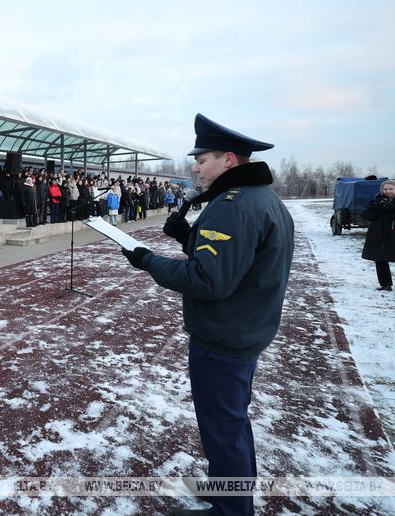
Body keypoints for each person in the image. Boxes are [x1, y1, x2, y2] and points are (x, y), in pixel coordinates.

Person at [121, 114, 294, 516]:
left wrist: (147, 260)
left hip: (224, 335)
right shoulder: (261, 197)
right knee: (232, 423)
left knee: (223, 429)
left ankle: (230, 510)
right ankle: (227, 490)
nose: (195, 166)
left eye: (203, 159)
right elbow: (242, 262)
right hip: (245, 328)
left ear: (229, 160)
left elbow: (208, 280)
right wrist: (187, 236)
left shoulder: (232, 205)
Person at [361, 179, 395, 291]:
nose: (388, 191)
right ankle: (385, 284)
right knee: (380, 259)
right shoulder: (376, 201)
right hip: (378, 235)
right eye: (385, 189)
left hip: (392, 234)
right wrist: (377, 208)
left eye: (391, 189)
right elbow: (366, 215)